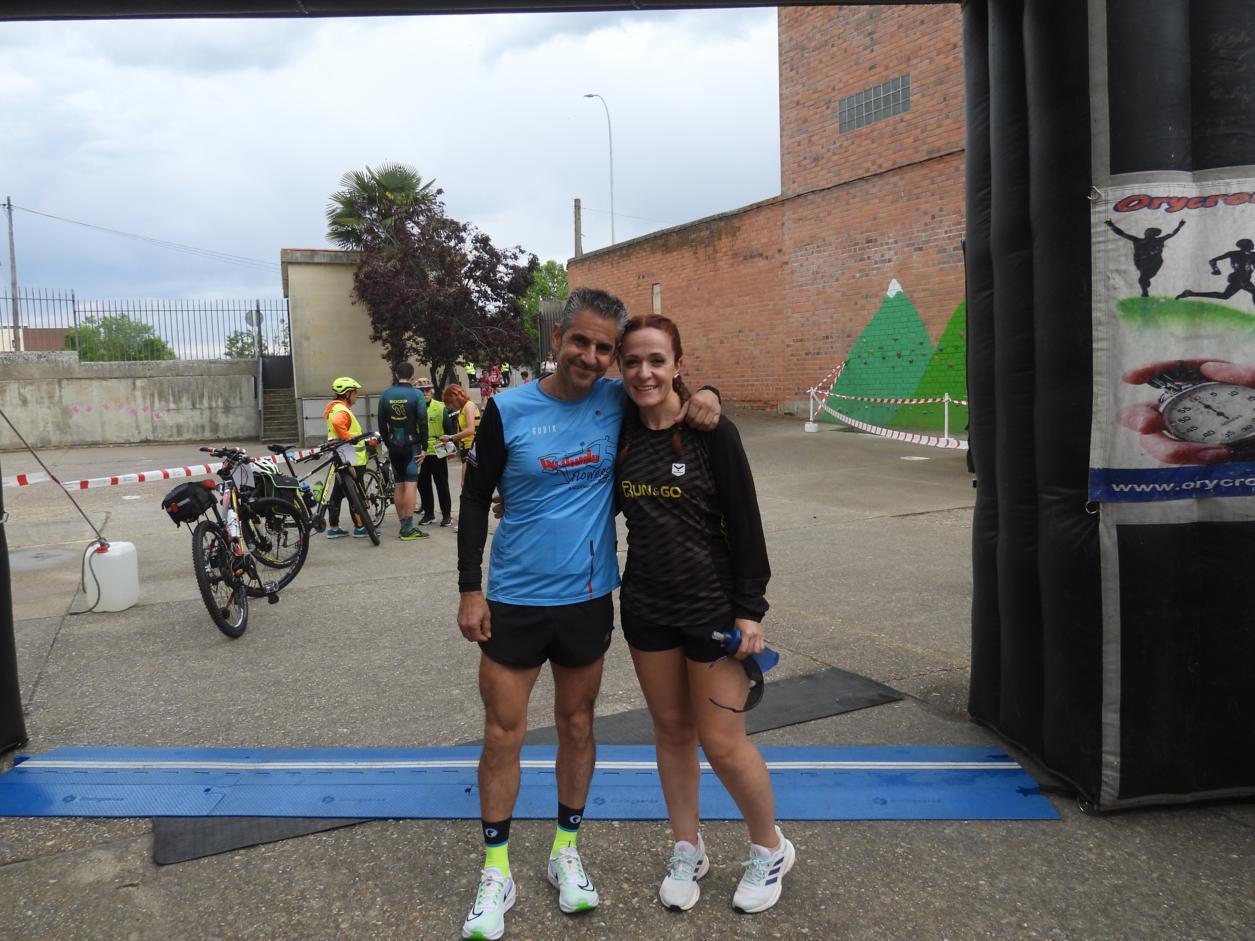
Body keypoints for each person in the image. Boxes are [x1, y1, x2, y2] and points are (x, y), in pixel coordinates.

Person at [455, 288, 721, 940]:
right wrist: (469, 588)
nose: (593, 356)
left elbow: (669, 389)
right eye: (582, 341)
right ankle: (496, 871)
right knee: (501, 732)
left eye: (605, 347)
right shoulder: (507, 409)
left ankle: (563, 852)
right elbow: (473, 500)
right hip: (513, 598)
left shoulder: (615, 402)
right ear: (556, 339)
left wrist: (706, 391)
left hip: (586, 597)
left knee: (576, 724)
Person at [614, 314, 793, 914]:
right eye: (633, 361)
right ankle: (687, 846)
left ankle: (770, 848)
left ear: (678, 365)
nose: (644, 372)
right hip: (644, 609)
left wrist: (751, 609)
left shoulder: (714, 434)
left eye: (657, 360)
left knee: (721, 741)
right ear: (621, 368)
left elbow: (747, 522)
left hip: (712, 612)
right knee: (670, 732)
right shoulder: (619, 430)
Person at [377, 362, 429, 541]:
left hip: (394, 445)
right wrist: (425, 447)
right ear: (413, 376)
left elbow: (381, 422)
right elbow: (423, 421)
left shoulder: (385, 394)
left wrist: (387, 441)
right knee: (410, 485)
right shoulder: (416, 394)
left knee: (399, 485)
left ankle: (402, 526)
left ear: (396, 375)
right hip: (411, 445)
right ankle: (408, 529)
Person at [322, 377, 370, 539]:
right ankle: (360, 526)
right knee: (354, 491)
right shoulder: (342, 411)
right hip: (351, 459)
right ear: (348, 393)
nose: (357, 395)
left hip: (340, 457)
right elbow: (338, 423)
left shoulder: (334, 407)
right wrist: (348, 438)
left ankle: (334, 527)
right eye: (355, 392)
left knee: (338, 491)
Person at [1105, 218, 1184, 297]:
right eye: (1147, 231)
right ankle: (1145, 288)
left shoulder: (1158, 240)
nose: (1146, 232)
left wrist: (1179, 226)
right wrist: (1111, 225)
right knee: (1142, 278)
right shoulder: (1137, 240)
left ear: (1153, 234)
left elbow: (1172, 234)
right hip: (1142, 263)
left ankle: (1145, 293)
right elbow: (1122, 234)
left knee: (1142, 278)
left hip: (1153, 263)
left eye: (1149, 231)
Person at [441, 383, 479, 535]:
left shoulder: (469, 406)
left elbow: (470, 429)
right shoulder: (465, 407)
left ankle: (467, 522)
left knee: (467, 487)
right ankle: (469, 521)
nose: (452, 406)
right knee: (467, 486)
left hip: (471, 450)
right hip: (466, 449)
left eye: (451, 402)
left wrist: (451, 437)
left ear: (456, 397)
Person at [416, 377, 453, 527]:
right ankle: (429, 513)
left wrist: (450, 447)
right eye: (421, 391)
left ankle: (446, 514)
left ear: (431, 391)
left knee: (442, 484)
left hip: (438, 448)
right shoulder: (414, 408)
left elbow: (449, 429)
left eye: (427, 390)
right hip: (421, 451)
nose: (425, 393)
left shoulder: (440, 407)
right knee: (423, 484)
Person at [1177, 238, 1255, 305]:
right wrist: (1216, 270)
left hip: (1243, 280)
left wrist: (1216, 270)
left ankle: (1190, 293)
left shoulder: (1238, 254)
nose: (1253, 245)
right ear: (1246, 246)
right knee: (1225, 296)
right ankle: (1191, 293)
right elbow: (1212, 261)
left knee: (1225, 296)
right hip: (1240, 280)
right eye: (1251, 243)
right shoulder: (1245, 254)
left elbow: (1212, 261)